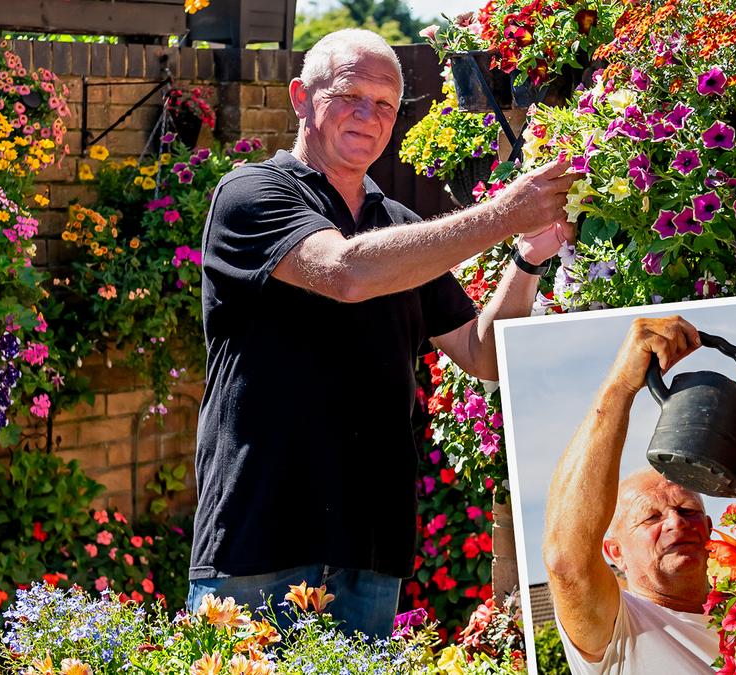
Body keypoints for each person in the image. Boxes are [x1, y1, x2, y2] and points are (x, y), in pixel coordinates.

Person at [185, 28, 576, 639]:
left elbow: (482, 354)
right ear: (300, 97)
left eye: (386, 104)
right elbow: (346, 273)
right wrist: (503, 213)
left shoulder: (399, 228)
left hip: (369, 548)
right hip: (257, 544)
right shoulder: (251, 195)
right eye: (350, 96)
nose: (369, 116)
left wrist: (527, 257)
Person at [543, 316, 719, 674]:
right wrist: (622, 384)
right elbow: (566, 562)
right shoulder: (615, 628)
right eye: (651, 517)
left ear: (709, 529)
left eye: (687, 510)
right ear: (615, 552)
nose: (675, 522)